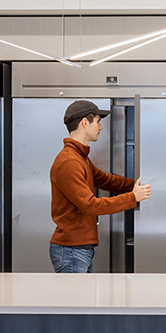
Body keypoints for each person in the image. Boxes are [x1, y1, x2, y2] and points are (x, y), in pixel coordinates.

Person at [49, 99, 150, 273]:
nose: (101, 127)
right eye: (97, 122)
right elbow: (91, 205)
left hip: (78, 249)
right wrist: (133, 197)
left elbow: (106, 180)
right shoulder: (69, 162)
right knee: (75, 300)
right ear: (84, 123)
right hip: (72, 250)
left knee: (80, 299)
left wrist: (140, 184)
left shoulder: (80, 158)